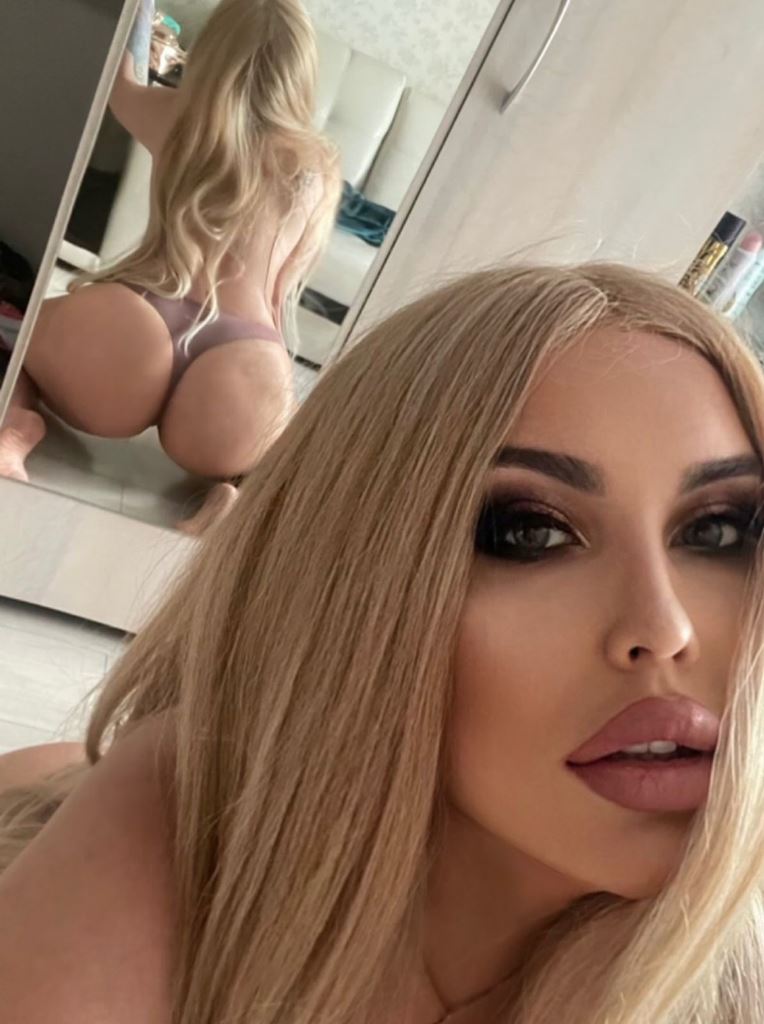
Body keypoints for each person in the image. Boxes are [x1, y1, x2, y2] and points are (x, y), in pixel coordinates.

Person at [1, 262, 764, 1024]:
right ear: (355, 590)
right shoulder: (186, 819)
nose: (666, 629)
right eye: (530, 533)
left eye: (719, 531)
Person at [0, 0, 341, 535]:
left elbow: (120, 80)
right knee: (276, 447)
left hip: (134, 325)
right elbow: (278, 293)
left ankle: (16, 429)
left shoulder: (178, 115)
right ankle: (233, 496)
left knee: (14, 338)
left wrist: (142, 15)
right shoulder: (316, 167)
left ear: (213, 52)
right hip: (242, 359)